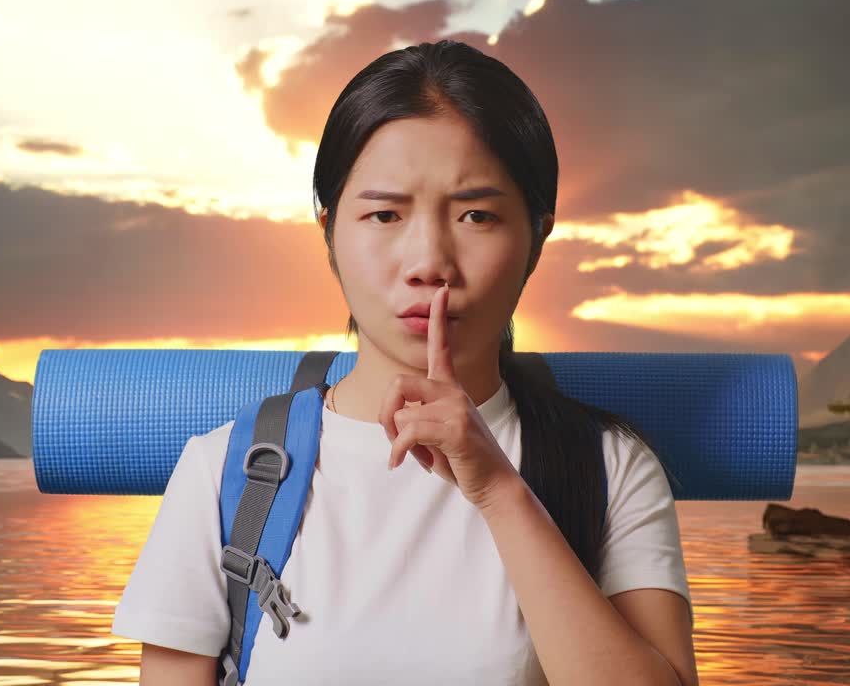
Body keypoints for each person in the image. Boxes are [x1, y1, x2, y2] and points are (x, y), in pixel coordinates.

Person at [111, 39, 698, 686]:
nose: (429, 263)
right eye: (384, 214)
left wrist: (498, 491)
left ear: (537, 236)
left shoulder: (609, 468)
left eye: (477, 215)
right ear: (330, 231)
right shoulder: (224, 474)